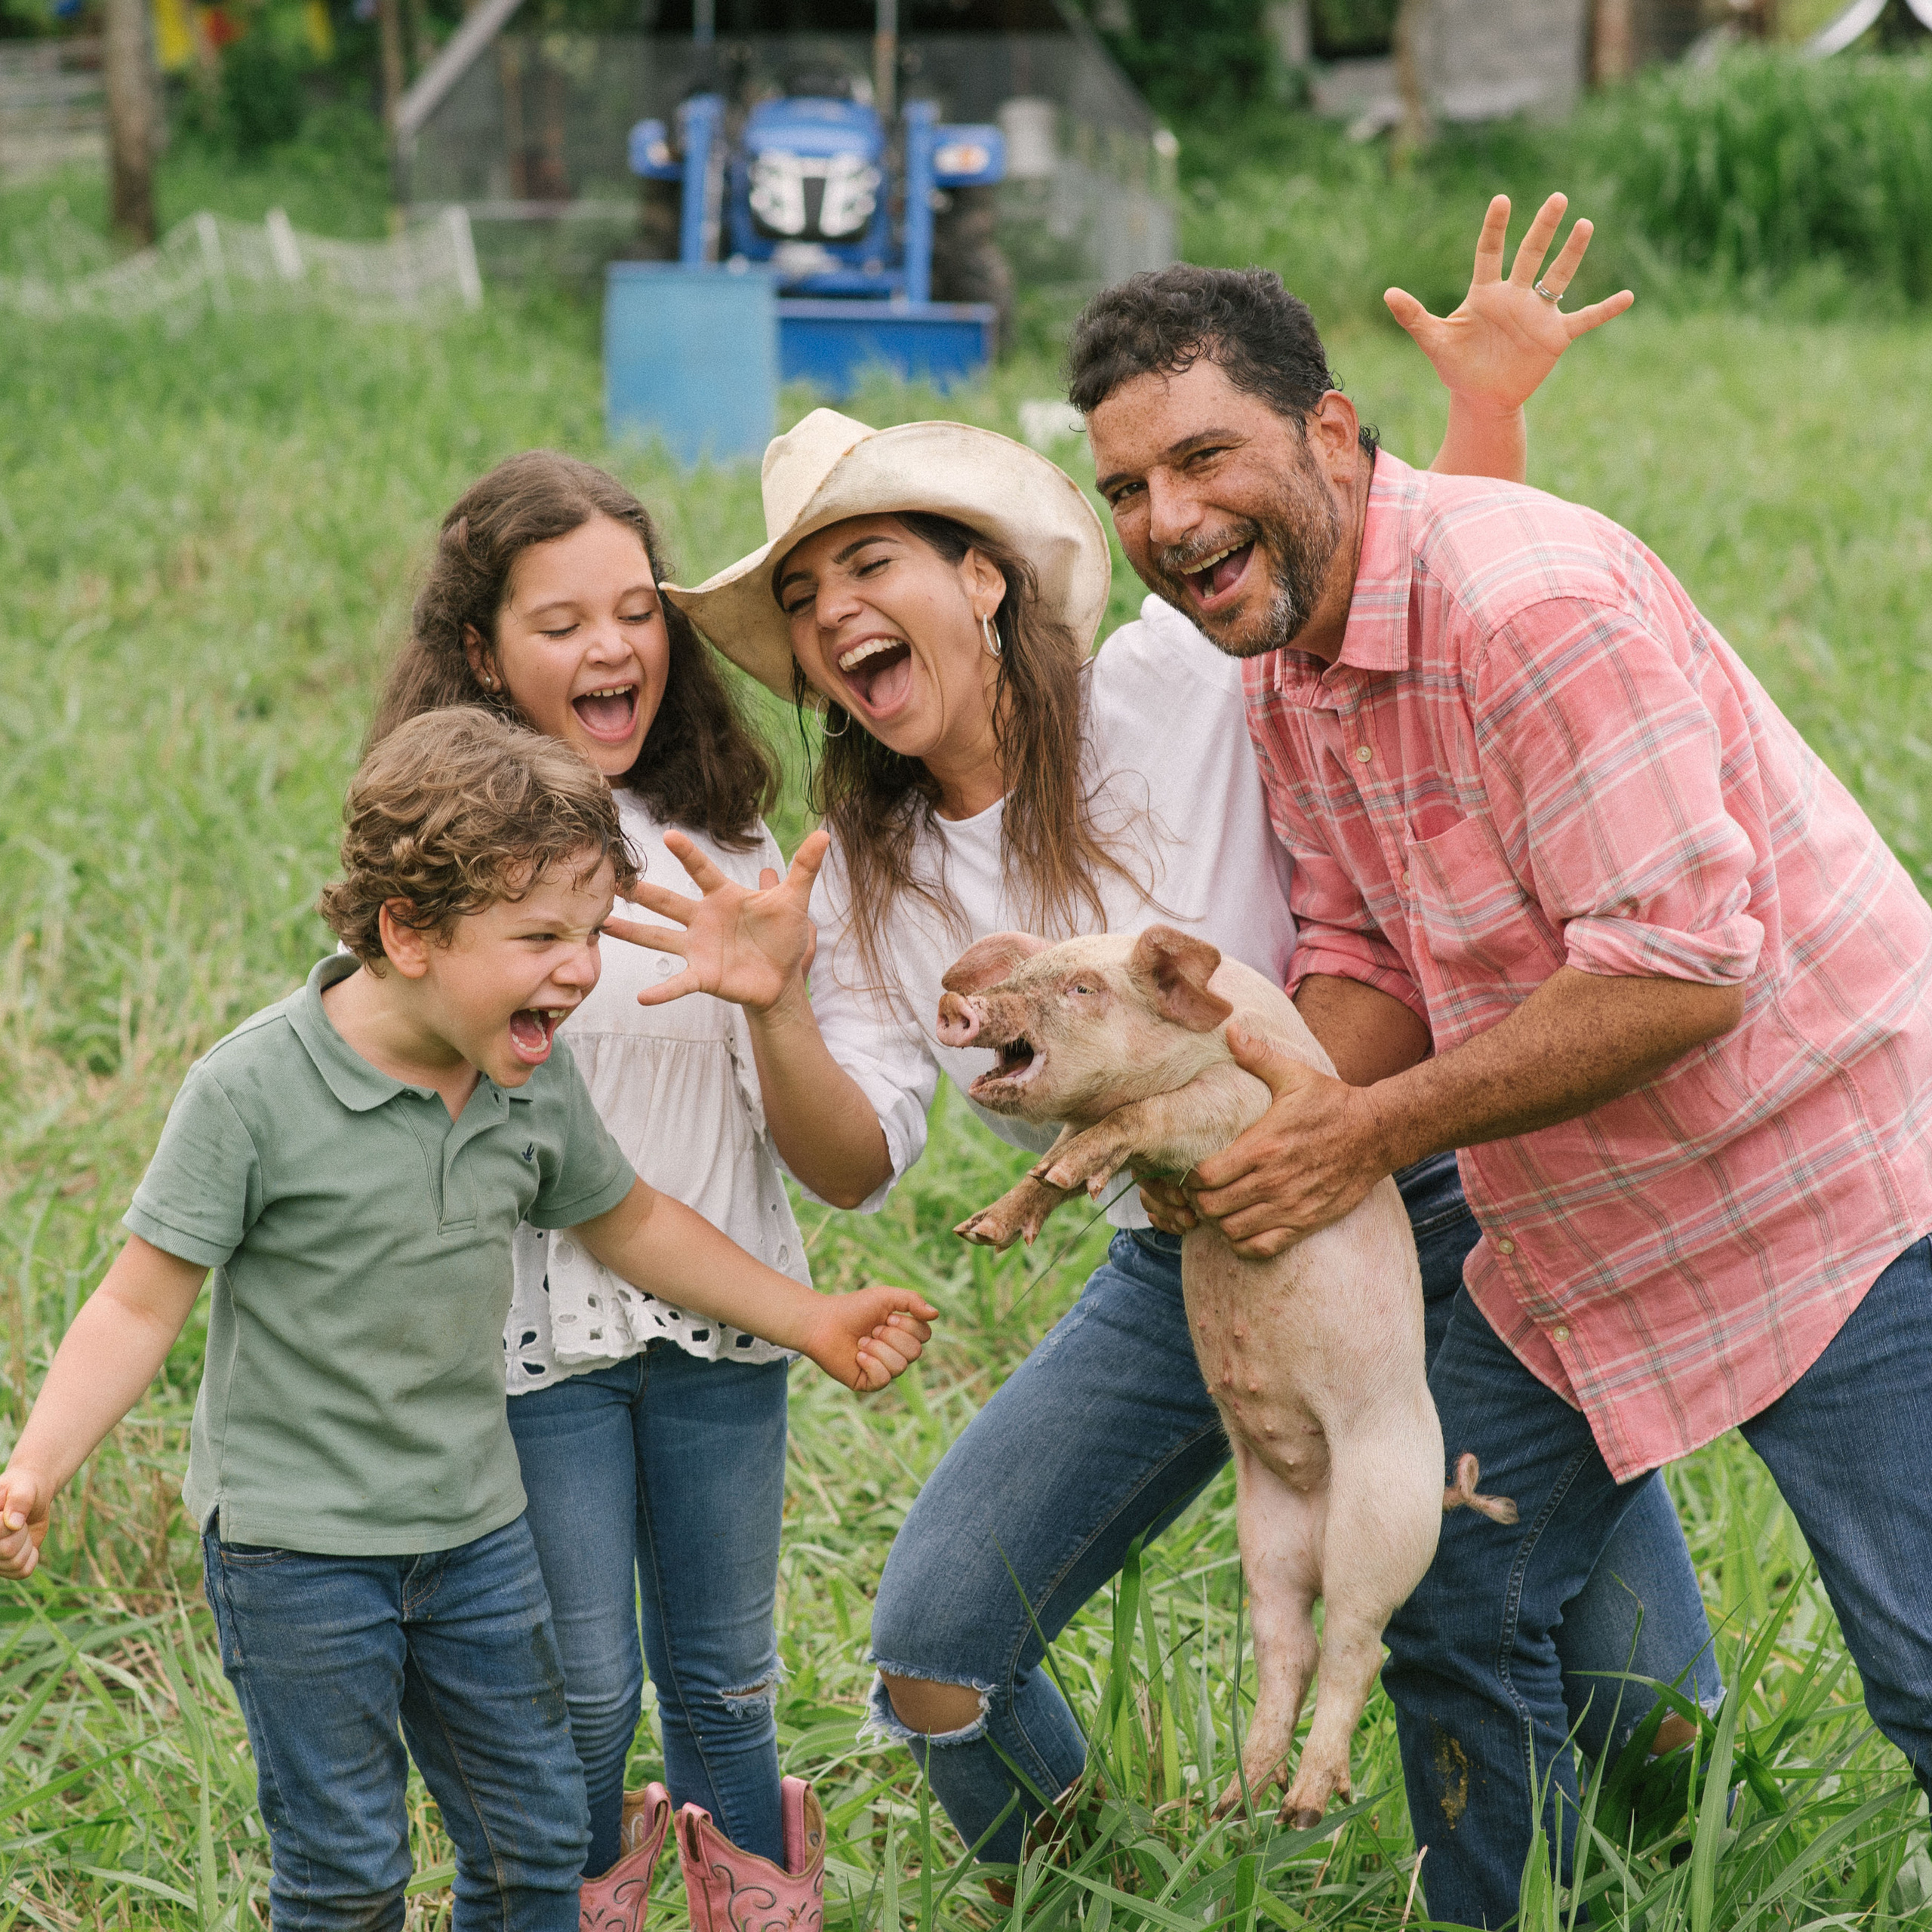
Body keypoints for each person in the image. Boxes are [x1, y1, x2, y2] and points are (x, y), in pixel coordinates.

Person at [617, 198, 1721, 1878]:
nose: (837, 608)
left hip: (1409, 1202)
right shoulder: (868, 884)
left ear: (977, 578)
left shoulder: (1166, 684)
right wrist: (773, 1004)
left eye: (869, 559)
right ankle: (1101, 1891)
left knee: (1634, 1697)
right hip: (1176, 1255)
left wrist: (1484, 409)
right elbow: (853, 1166)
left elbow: (1389, 625)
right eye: (804, 593)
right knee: (933, 1657)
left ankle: (1678, 1870)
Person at [1071, 261, 1932, 1927]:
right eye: (1124, 487)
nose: (1165, 518)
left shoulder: (1523, 605)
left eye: (1199, 457)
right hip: (1584, 1219)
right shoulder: (1284, 661)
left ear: (1328, 427)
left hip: (1822, 1182)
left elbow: (1682, 965)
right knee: (1445, 1580)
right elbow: (1358, 949)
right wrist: (1267, 1111)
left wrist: (1364, 1134)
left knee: (1921, 1660)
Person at [0, 707, 934, 1932]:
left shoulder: (530, 1084)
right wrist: (32, 1470)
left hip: (478, 1536)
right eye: (540, 935)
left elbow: (635, 1223)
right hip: (299, 1550)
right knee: (346, 1866)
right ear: (408, 933)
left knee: (536, 1835)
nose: (581, 968)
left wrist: (807, 1316)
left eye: (590, 933)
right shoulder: (253, 1091)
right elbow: (137, 1301)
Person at [370, 454, 829, 1919]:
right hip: (534, 1343)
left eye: (636, 611)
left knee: (724, 1677)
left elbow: (789, 1094)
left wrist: (779, 986)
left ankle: (751, 1890)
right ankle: (556, 1892)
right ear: (479, 652)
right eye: (560, 621)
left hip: (719, 1327)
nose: (611, 647)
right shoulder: (441, 873)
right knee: (573, 1681)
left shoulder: (731, 846)